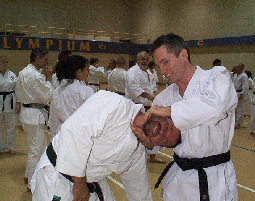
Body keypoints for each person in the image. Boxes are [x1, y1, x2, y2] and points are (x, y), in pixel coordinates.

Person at [132, 33, 238, 201]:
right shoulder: (164, 97)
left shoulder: (216, 77)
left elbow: (215, 109)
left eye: (165, 62)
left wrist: (170, 111)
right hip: (179, 180)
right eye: (159, 66)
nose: (163, 72)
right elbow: (161, 142)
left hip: (214, 179)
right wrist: (149, 142)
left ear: (183, 55)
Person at [31, 90, 180, 201]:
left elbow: (140, 193)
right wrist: (80, 184)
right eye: (168, 126)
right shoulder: (114, 103)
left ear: (153, 145)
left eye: (164, 140)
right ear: (159, 112)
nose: (162, 133)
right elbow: (73, 131)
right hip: (57, 175)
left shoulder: (136, 154)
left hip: (92, 182)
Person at [16, 47, 54, 191]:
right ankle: (32, 183)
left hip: (27, 114)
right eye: (45, 59)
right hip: (34, 116)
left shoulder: (23, 72)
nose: (46, 62)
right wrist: (49, 78)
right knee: (36, 151)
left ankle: (28, 174)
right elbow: (47, 96)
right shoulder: (35, 76)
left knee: (33, 147)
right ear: (37, 58)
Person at [126, 51, 165, 163]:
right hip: (136, 107)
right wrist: (150, 96)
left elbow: (153, 87)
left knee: (151, 131)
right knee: (135, 133)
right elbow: (134, 88)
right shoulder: (132, 72)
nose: (145, 61)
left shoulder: (149, 72)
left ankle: (153, 156)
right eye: (142, 59)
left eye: (147, 59)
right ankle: (132, 156)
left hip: (149, 106)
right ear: (137, 60)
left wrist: (155, 97)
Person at [48, 55, 94, 141]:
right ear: (79, 71)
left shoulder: (58, 91)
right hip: (80, 135)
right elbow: (92, 117)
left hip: (62, 134)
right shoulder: (86, 91)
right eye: (86, 69)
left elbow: (53, 119)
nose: (88, 72)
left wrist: (53, 137)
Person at [0, 55, 21, 155]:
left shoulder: (11, 74)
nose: (5, 64)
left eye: (6, 62)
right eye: (3, 62)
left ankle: (10, 146)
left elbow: (17, 89)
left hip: (10, 101)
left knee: (11, 125)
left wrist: (18, 103)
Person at [233, 63, 249, 129]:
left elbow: (245, 86)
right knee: (234, 109)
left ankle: (238, 123)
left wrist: (241, 95)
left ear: (242, 68)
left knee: (240, 109)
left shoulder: (244, 76)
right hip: (234, 92)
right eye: (237, 67)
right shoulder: (235, 75)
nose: (237, 68)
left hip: (240, 93)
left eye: (238, 67)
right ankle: (234, 122)